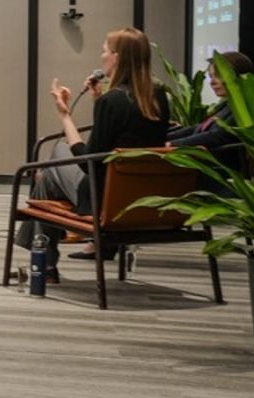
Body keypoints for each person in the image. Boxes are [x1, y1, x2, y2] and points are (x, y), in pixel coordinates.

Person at [16, 27, 171, 255]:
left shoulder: (112, 101)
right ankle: (51, 260)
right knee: (48, 175)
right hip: (143, 194)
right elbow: (126, 138)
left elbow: (86, 161)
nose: (102, 57)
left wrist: (64, 115)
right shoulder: (158, 97)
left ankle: (43, 261)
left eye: (104, 51)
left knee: (53, 161)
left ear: (116, 57)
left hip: (105, 197)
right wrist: (98, 100)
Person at [168, 51, 254, 170]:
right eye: (211, 76)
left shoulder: (245, 107)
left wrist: (172, 145)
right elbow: (199, 128)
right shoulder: (227, 105)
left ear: (236, 75)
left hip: (220, 171)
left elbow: (219, 135)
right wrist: (163, 138)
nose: (212, 82)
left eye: (218, 76)